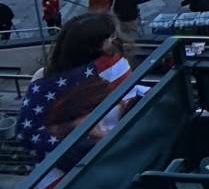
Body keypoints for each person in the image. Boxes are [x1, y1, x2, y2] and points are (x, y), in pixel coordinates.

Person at [12, 11, 131, 166]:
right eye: (111, 37)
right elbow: (27, 133)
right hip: (84, 163)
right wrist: (73, 127)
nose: (115, 41)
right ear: (96, 46)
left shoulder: (113, 67)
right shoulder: (44, 82)